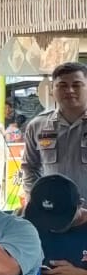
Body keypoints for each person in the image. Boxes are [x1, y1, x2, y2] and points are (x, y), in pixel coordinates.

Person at [20, 61, 87, 198]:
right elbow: (30, 168)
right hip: (53, 212)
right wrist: (36, 200)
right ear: (52, 90)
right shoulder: (38, 126)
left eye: (76, 85)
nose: (70, 90)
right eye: (62, 85)